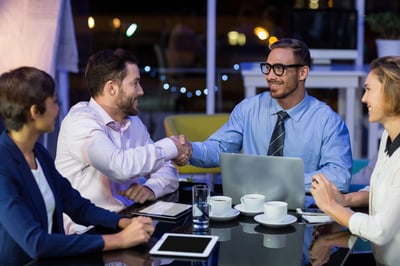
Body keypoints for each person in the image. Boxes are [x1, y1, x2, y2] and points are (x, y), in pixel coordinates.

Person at [0, 66, 155, 264]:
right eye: (54, 102)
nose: (59, 109)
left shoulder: (39, 154)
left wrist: (122, 222)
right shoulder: (3, 165)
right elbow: (36, 243)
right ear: (35, 111)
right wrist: (119, 240)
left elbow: (77, 206)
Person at [187, 38, 352, 192]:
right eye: (267, 68)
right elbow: (220, 148)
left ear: (302, 73)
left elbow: (339, 177)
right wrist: (189, 150)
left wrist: (285, 181)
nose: (270, 76)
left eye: (279, 69)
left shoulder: (328, 121)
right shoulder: (248, 109)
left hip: (302, 211)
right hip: (251, 205)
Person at [55, 48, 191, 234]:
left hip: (127, 221)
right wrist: (172, 146)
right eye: (135, 84)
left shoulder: (132, 121)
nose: (141, 91)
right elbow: (117, 166)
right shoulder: (80, 122)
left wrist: (151, 189)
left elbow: (167, 169)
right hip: (87, 232)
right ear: (111, 88)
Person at [310, 56, 400, 265]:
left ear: (391, 92)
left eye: (369, 89)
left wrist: (331, 206)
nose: (363, 98)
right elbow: (385, 190)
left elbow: (379, 231)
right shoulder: (389, 137)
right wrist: (346, 200)